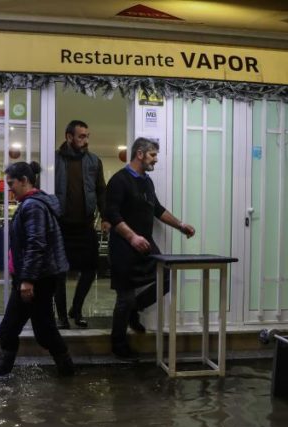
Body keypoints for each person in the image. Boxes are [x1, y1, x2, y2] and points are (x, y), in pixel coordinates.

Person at [104, 138, 196, 360]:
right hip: (123, 246)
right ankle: (118, 345)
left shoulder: (147, 181)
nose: (156, 159)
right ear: (139, 154)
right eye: (153, 155)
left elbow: (158, 209)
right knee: (124, 298)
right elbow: (112, 214)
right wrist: (132, 236)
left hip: (145, 244)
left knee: (166, 276)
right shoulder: (119, 180)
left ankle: (134, 310)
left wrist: (181, 225)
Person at [0, 161, 75, 378]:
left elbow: (36, 244)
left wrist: (27, 280)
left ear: (24, 181)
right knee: (38, 330)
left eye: (11, 183)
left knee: (18, 329)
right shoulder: (32, 203)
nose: (9, 189)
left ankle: (1, 376)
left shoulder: (33, 206)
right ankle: (66, 370)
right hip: (36, 277)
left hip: (36, 279)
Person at [54, 120, 107, 329]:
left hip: (85, 225)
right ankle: (62, 316)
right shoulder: (54, 160)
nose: (85, 140)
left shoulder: (94, 161)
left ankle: (76, 309)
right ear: (69, 137)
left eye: (87, 136)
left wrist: (106, 217)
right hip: (61, 225)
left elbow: (101, 190)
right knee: (59, 273)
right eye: (81, 136)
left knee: (91, 268)